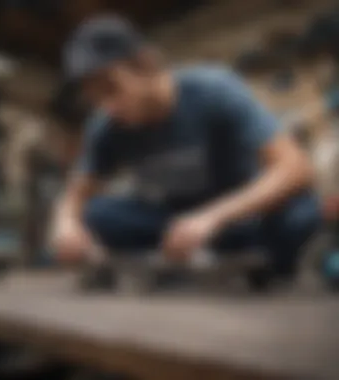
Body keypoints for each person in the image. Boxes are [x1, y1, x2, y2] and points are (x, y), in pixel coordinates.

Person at [50, 15, 321, 289]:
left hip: (236, 220)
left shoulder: (214, 89)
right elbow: (76, 194)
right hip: (171, 228)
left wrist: (212, 218)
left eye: (112, 89)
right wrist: (65, 224)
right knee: (94, 215)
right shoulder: (107, 123)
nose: (109, 107)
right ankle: (185, 266)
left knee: (301, 211)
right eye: (96, 97)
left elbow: (295, 168)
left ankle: (265, 271)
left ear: (145, 65)